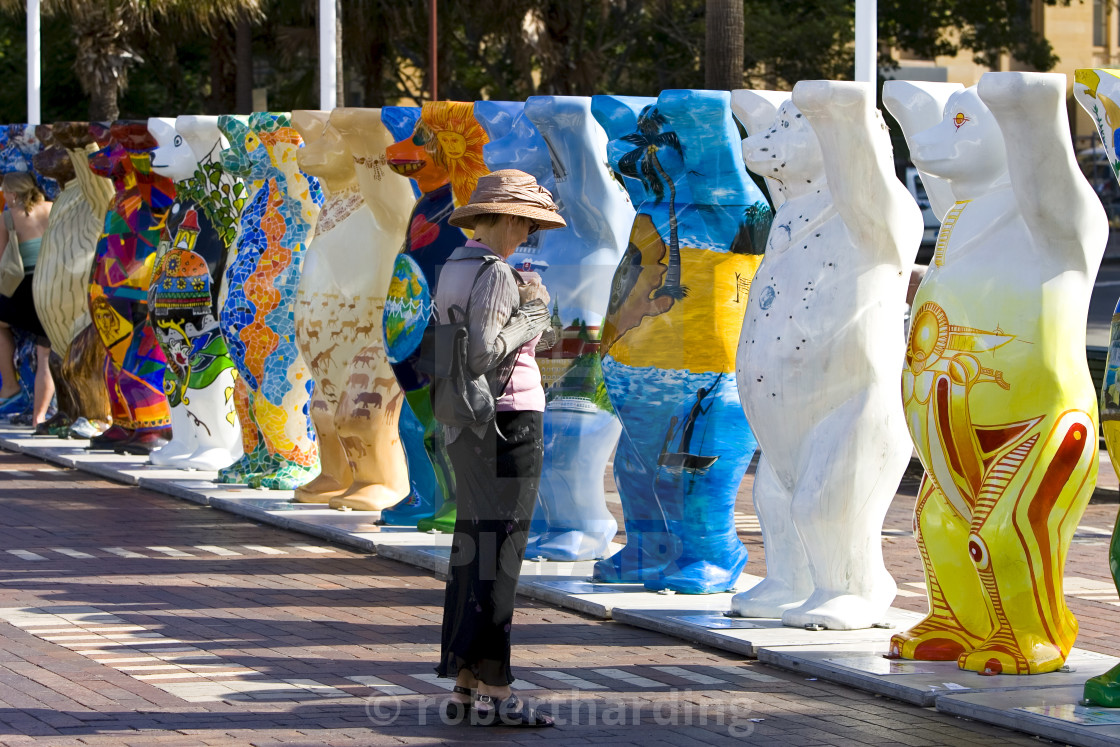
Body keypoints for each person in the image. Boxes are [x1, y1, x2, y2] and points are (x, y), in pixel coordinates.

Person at [434, 169, 565, 727]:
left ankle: (465, 682)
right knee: (502, 556)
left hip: (463, 422)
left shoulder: (453, 266)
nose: (529, 236)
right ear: (508, 218)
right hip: (507, 422)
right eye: (528, 225)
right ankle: (499, 690)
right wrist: (532, 314)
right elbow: (487, 352)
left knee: (474, 549)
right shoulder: (497, 273)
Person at [0, 172, 54, 425]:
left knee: (0, 325)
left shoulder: (8, 217)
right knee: (46, 353)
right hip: (54, 286)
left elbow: (2, 259)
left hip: (27, 290)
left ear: (11, 193)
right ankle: (39, 415)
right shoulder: (53, 208)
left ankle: (10, 386)